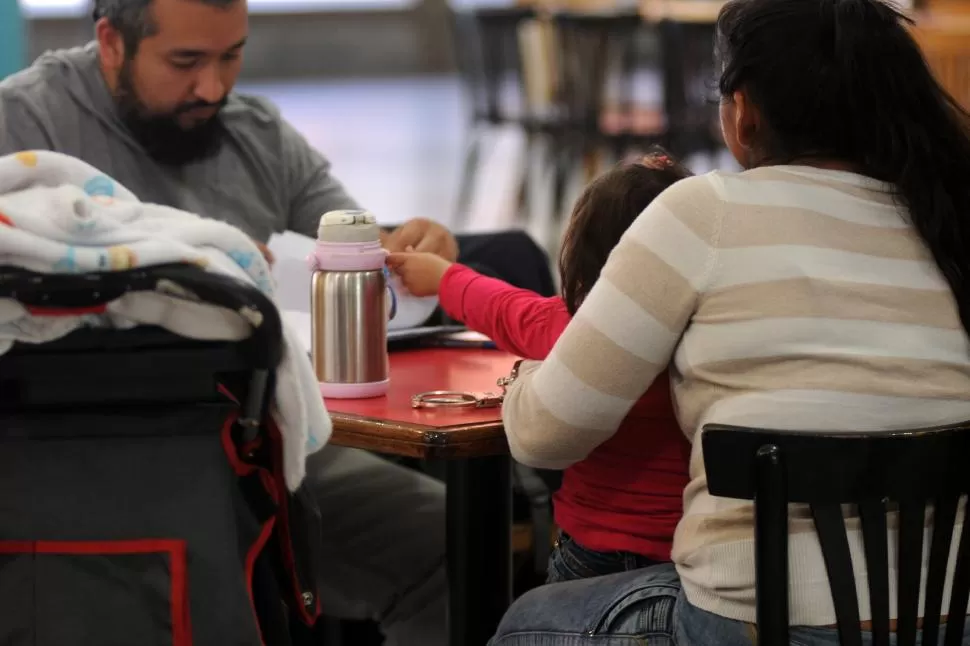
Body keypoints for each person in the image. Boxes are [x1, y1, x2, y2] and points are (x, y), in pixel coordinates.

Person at [0, 0, 552, 643]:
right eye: (185, 61)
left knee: (452, 546)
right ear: (111, 42)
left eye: (230, 56)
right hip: (83, 452)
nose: (212, 87)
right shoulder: (24, 128)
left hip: (269, 444)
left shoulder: (257, 134)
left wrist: (406, 250)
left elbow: (360, 247)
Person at [488, 0, 970, 643]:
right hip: (948, 620)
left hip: (753, 625)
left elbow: (546, 435)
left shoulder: (702, 213)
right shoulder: (947, 222)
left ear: (742, 112)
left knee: (530, 621)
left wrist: (522, 378)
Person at [388, 151, 693, 583]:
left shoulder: (580, 328)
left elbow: (506, 309)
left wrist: (443, 278)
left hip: (596, 555)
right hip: (696, 556)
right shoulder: (712, 332)